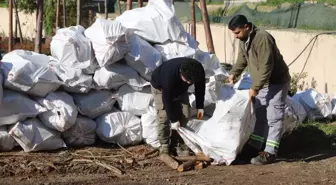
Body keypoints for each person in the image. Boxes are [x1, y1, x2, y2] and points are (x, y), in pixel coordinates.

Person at [228, 14, 291, 165]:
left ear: (247, 27)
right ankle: (256, 146)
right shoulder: (244, 40)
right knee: (260, 115)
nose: (236, 36)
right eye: (234, 33)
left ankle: (270, 152)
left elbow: (266, 66)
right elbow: (242, 59)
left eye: (237, 32)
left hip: (275, 82)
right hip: (262, 82)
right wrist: (234, 73)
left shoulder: (262, 38)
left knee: (274, 117)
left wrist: (255, 87)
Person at [150, 57, 206, 159]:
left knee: (186, 114)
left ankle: (178, 142)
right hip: (161, 88)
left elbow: (200, 89)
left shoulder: (198, 71)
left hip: (180, 90)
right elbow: (167, 100)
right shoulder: (169, 75)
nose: (189, 83)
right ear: (181, 73)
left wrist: (200, 108)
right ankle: (164, 145)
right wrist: (173, 119)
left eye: (191, 81)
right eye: (187, 80)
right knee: (164, 116)